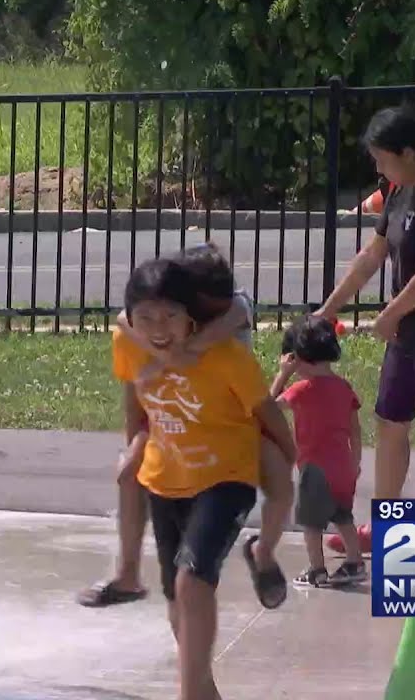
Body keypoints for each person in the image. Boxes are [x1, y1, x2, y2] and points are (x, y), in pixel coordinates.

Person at [113, 256, 297, 700]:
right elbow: (134, 399)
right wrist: (136, 444)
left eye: (170, 316)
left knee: (192, 582)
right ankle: (204, 691)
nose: (158, 326)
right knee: (178, 601)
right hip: (167, 476)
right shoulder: (134, 340)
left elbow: (266, 411)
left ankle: (190, 694)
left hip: (227, 473)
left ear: (193, 313)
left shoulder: (227, 350)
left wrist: (287, 458)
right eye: (147, 319)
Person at [78, 243, 293, 610]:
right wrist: (134, 441)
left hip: (232, 419)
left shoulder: (232, 309)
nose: (213, 315)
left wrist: (175, 355)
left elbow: (230, 321)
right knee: (130, 472)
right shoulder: (162, 314)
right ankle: (127, 573)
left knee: (282, 483)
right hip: (172, 417)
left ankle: (264, 551)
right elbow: (124, 326)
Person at [315, 107, 415, 554]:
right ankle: (387, 528)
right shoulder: (400, 191)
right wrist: (328, 309)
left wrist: (389, 315)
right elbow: (371, 258)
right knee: (390, 423)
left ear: (409, 153)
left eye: (382, 158)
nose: (378, 168)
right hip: (406, 336)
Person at [270, 316, 367, 587]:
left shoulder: (301, 389)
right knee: (343, 517)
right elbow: (355, 430)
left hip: (315, 469)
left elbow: (266, 407)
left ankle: (317, 568)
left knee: (312, 525)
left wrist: (282, 374)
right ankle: (355, 563)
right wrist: (355, 462)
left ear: (298, 357)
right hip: (343, 467)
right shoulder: (343, 387)